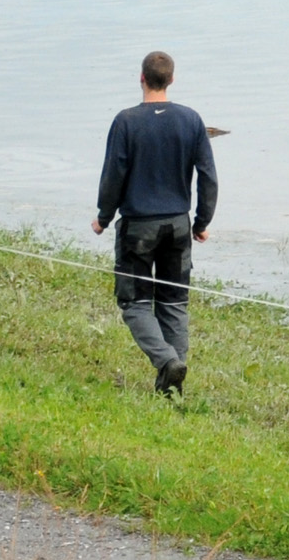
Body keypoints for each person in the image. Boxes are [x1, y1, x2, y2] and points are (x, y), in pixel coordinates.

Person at [91, 50, 218, 396]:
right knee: (174, 304)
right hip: (178, 226)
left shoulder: (126, 121)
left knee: (134, 304)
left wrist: (103, 217)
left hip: (138, 227)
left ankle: (167, 362)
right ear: (172, 80)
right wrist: (201, 222)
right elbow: (208, 176)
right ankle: (173, 386)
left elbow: (113, 175)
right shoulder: (191, 120)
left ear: (142, 78)